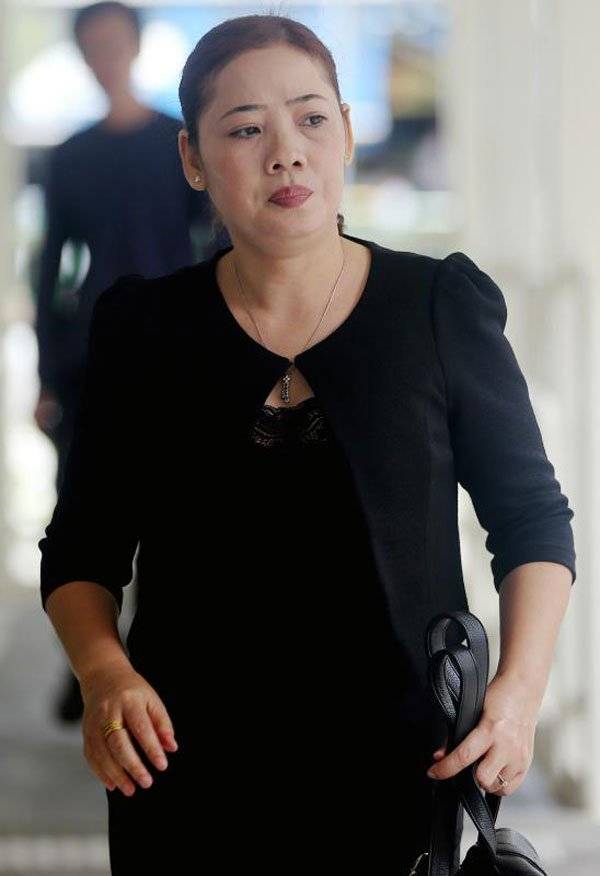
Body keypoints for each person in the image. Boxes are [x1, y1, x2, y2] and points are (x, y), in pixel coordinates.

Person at [38, 13, 576, 874]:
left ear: (348, 134)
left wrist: (517, 694)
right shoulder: (144, 329)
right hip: (182, 771)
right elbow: (80, 550)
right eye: (245, 130)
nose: (286, 153)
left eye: (312, 118)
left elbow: (533, 522)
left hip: (403, 772)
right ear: (193, 159)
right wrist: (104, 672)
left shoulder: (436, 307)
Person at [32, 1, 223, 724]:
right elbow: (50, 266)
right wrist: (46, 373)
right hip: (90, 351)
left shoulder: (179, 143)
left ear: (136, 46)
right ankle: (87, 662)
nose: (105, 54)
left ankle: (151, 659)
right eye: (93, 44)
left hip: (180, 342)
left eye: (115, 41)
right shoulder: (69, 155)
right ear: (81, 54)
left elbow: (216, 237)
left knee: (176, 507)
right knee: (82, 510)